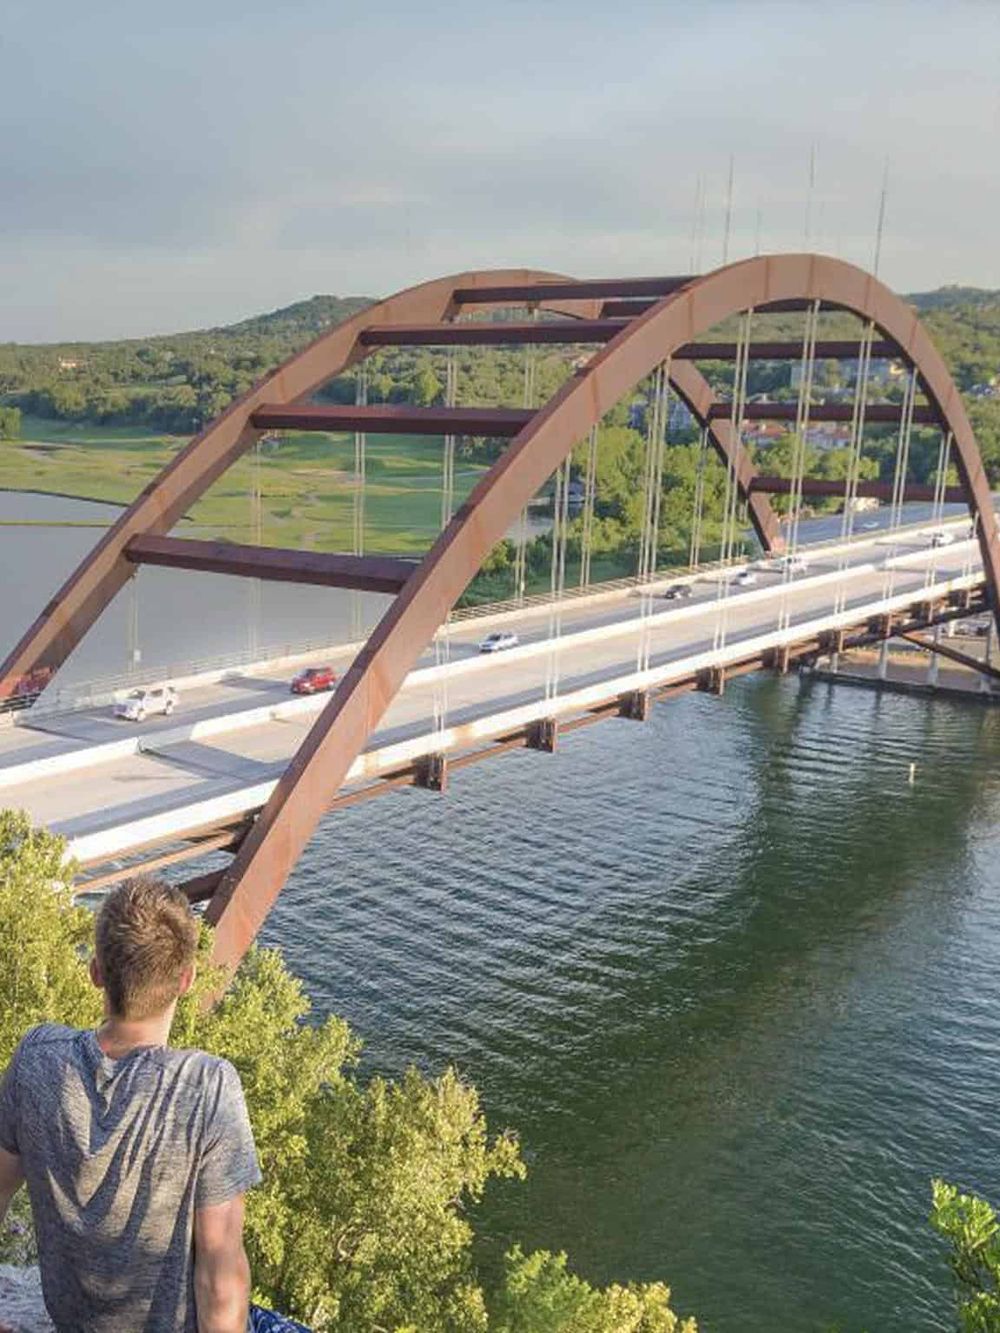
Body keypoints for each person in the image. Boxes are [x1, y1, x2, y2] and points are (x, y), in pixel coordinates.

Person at [0, 878, 308, 1333]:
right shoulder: (206, 1087)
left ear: (97, 972)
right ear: (186, 980)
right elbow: (219, 1278)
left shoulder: (38, 1058)